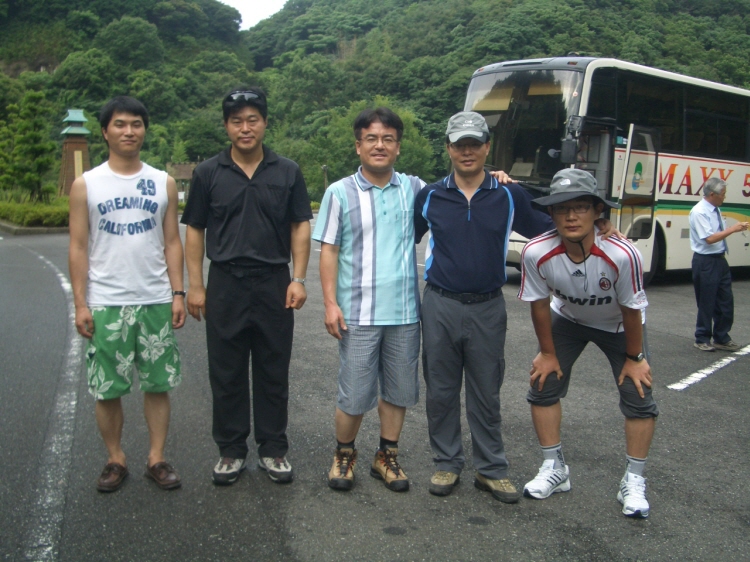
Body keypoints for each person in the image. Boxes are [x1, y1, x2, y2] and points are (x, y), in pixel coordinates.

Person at [413, 111, 556, 503]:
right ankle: (447, 463)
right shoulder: (430, 196)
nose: (467, 151)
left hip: (488, 306)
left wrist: (598, 223)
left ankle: (491, 469)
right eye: (459, 144)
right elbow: (402, 237)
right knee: (440, 389)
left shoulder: (508, 194)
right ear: (448, 148)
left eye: (474, 144)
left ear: (487, 148)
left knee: (486, 390)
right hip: (440, 303)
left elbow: (549, 227)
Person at [181, 87, 312, 485]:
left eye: (252, 119)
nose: (245, 128)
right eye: (236, 121)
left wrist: (298, 278)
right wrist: (195, 285)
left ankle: (273, 449)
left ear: (265, 123)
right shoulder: (208, 173)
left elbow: (300, 225)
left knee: (273, 369)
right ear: (226, 126)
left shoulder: (287, 171)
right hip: (225, 282)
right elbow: (194, 230)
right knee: (226, 371)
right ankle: (231, 450)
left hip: (274, 282)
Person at [518, 168, 658, 519]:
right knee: (542, 384)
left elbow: (631, 309)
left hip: (618, 325)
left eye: (581, 207)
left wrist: (635, 357)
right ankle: (555, 468)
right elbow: (539, 305)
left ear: (598, 211)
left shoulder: (623, 254)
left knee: (638, 393)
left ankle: (634, 480)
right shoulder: (535, 251)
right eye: (562, 208)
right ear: (550, 213)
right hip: (568, 320)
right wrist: (547, 353)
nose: (571, 216)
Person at [69, 96, 185, 492]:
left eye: (136, 124)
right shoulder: (86, 184)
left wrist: (178, 293)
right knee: (107, 388)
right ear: (105, 131)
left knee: (158, 384)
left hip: (154, 298)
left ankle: (157, 457)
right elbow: (78, 246)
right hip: (106, 302)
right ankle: (115, 458)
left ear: (144, 130)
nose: (129, 131)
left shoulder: (162, 182)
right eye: (120, 124)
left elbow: (172, 242)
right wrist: (81, 303)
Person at [313, 108, 424, 492]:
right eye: (372, 139)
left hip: (405, 312)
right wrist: (330, 303)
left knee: (398, 391)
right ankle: (344, 455)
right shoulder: (339, 192)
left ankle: (386, 456)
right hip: (357, 313)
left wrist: (496, 178)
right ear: (358, 145)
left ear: (398, 147)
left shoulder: (414, 188)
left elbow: (458, 190)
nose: (380, 145)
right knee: (355, 393)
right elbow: (328, 250)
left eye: (388, 139)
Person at [688, 178, 748, 352]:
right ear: (712, 194)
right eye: (722, 194)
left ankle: (722, 337)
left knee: (726, 300)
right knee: (707, 301)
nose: (724, 197)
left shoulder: (715, 209)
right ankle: (702, 337)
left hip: (720, 259)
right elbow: (709, 238)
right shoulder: (699, 212)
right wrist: (733, 229)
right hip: (705, 261)